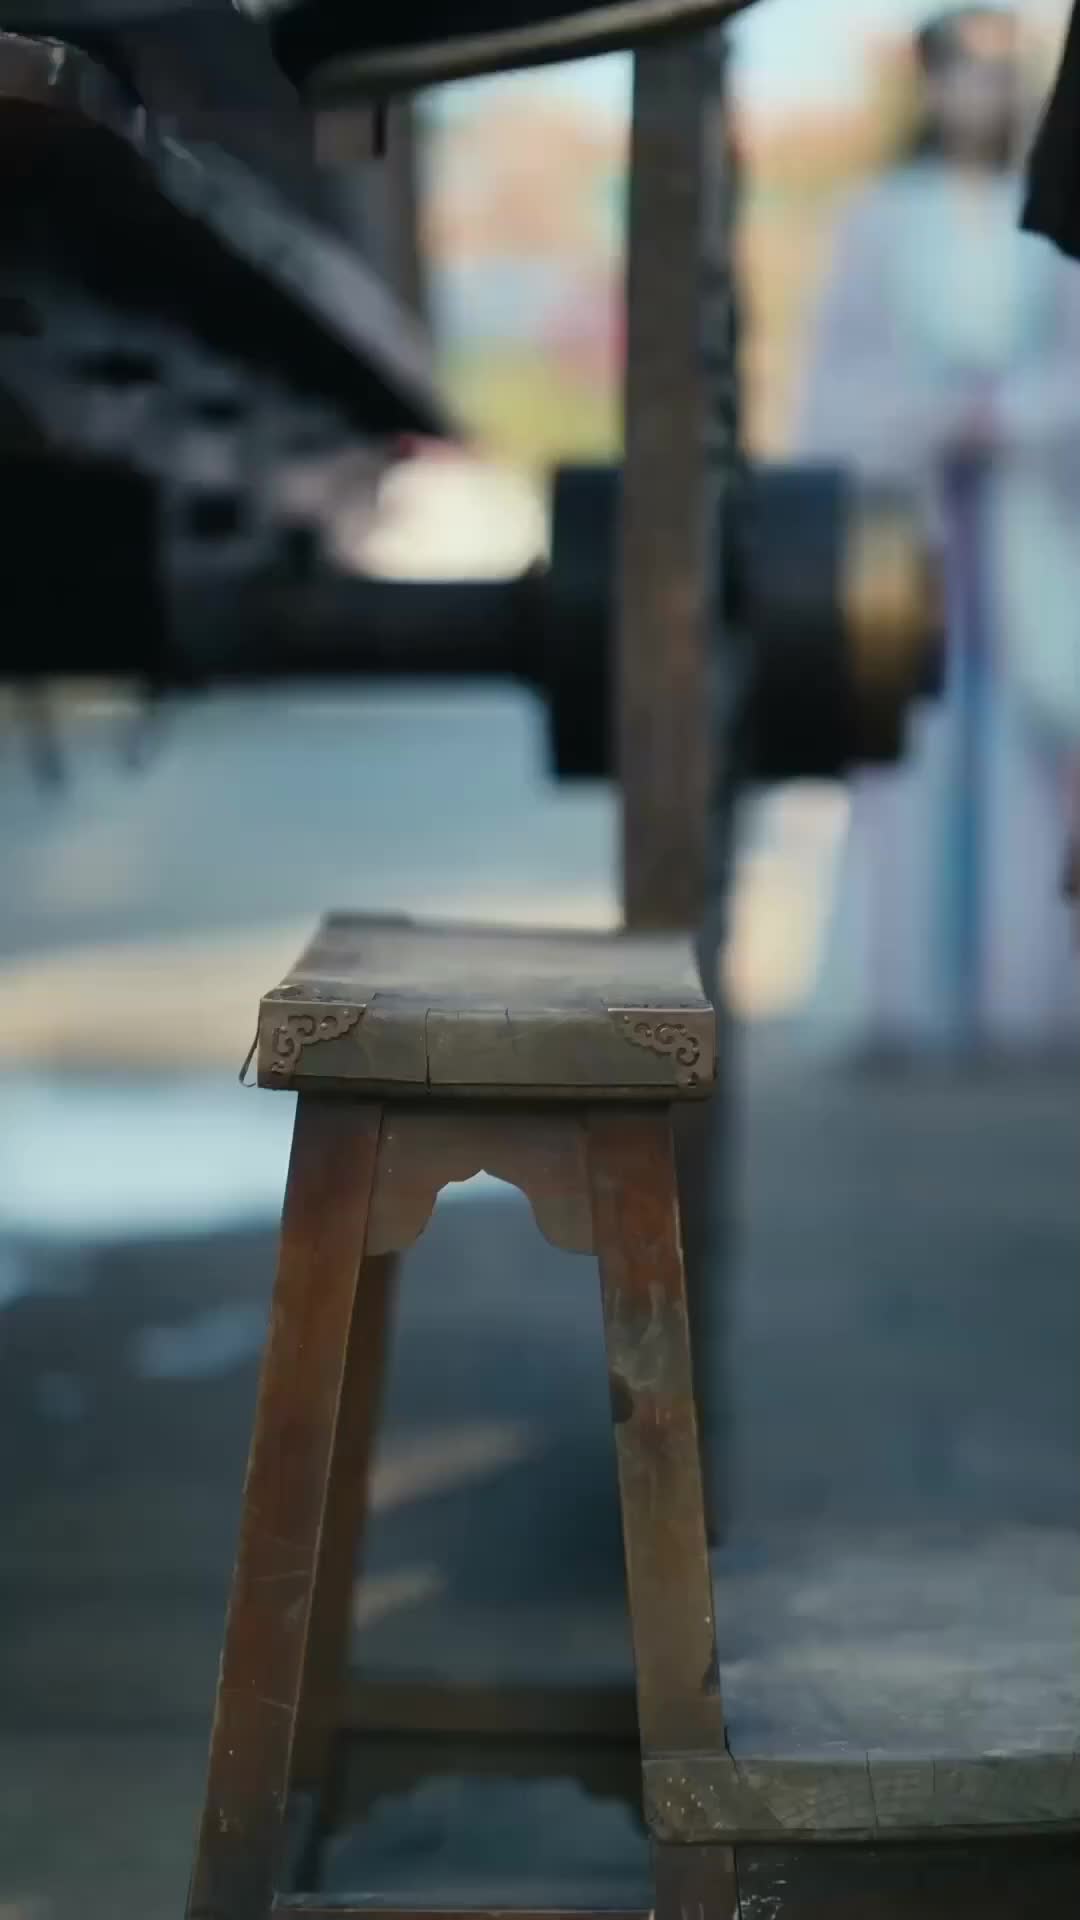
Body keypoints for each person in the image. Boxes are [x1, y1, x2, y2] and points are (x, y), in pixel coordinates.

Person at [794, 6, 1080, 1058]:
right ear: (929, 82)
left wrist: (1012, 416)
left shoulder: (1049, 220)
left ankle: (1025, 998)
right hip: (912, 530)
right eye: (965, 70)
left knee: (1030, 753)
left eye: (1004, 74)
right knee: (907, 744)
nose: (983, 94)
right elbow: (838, 374)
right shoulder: (881, 218)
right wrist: (925, 417)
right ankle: (906, 992)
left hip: (1028, 525)